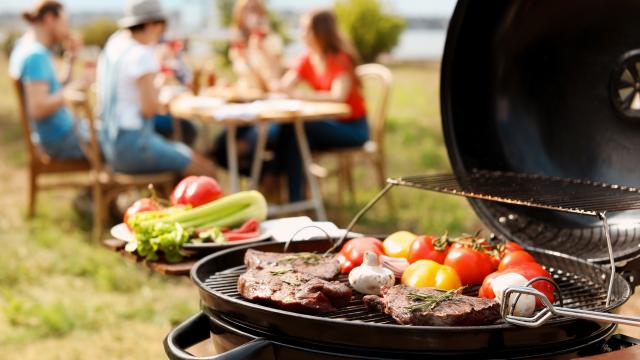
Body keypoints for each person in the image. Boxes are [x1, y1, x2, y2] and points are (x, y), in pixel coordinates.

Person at [96, 0, 216, 176]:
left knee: (182, 142)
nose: (162, 32)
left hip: (109, 143)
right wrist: (162, 85)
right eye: (162, 25)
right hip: (133, 146)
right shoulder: (141, 55)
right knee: (206, 169)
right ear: (151, 24)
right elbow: (150, 109)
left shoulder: (114, 45)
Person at [276, 9, 369, 202]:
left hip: (351, 128)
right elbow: (283, 86)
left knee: (296, 129)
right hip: (327, 126)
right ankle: (297, 200)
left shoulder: (339, 58)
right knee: (295, 138)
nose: (301, 34)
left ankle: (286, 192)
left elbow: (338, 97)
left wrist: (304, 96)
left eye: (306, 29)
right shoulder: (306, 58)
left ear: (321, 31)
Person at [9, 0, 91, 160]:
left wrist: (71, 60)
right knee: (119, 145)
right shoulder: (36, 55)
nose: (67, 28)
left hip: (60, 134)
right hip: (60, 139)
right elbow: (38, 108)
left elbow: (51, 90)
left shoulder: (25, 47)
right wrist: (75, 87)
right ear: (49, 19)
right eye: (65, 21)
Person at [229, 0, 283, 92]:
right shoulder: (238, 42)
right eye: (245, 9)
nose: (249, 14)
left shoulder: (271, 40)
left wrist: (262, 50)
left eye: (253, 9)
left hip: (266, 95)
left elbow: (276, 75)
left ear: (261, 13)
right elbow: (243, 75)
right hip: (244, 93)